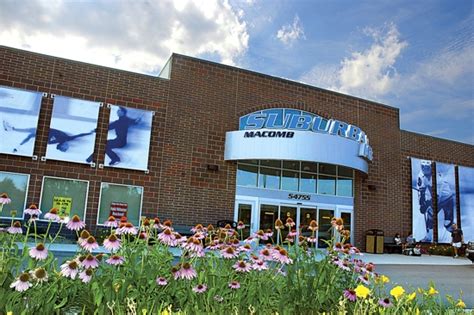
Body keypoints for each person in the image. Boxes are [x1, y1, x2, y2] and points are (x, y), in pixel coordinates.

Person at [3, 120, 95, 153]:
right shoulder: (67, 138)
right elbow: (79, 136)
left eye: (65, 147)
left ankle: (13, 132)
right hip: (46, 130)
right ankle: (13, 130)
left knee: (30, 135)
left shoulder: (55, 142)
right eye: (67, 147)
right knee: (30, 134)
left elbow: (47, 141)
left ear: (61, 146)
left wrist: (47, 138)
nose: (67, 146)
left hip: (45, 132)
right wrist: (89, 133)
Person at [417, 160, 433, 242]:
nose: (425, 169)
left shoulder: (436, 176)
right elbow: (421, 190)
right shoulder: (421, 175)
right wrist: (422, 202)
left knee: (431, 212)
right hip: (430, 196)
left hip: (443, 197)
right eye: (423, 167)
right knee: (429, 213)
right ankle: (429, 236)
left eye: (427, 167)